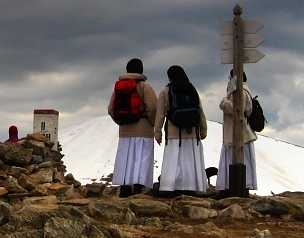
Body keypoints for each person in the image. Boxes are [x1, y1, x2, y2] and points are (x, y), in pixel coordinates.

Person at [154, 65, 209, 196]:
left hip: (174, 132)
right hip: (192, 133)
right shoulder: (191, 89)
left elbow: (160, 114)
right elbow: (200, 111)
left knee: (174, 161)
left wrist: (157, 133)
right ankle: (190, 187)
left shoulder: (165, 91)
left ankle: (171, 188)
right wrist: (203, 130)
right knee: (189, 161)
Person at [108, 58, 158, 197]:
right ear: (141, 70)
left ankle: (124, 188)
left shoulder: (119, 87)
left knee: (126, 159)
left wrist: (121, 122)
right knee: (141, 159)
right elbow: (153, 107)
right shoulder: (144, 87)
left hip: (125, 131)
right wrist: (153, 123)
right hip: (143, 130)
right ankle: (138, 189)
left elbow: (111, 109)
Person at [215, 70, 257, 197]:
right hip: (233, 132)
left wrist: (224, 103)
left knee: (239, 160)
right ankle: (229, 187)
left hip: (239, 133)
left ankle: (238, 187)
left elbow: (237, 109)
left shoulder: (242, 92)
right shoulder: (238, 91)